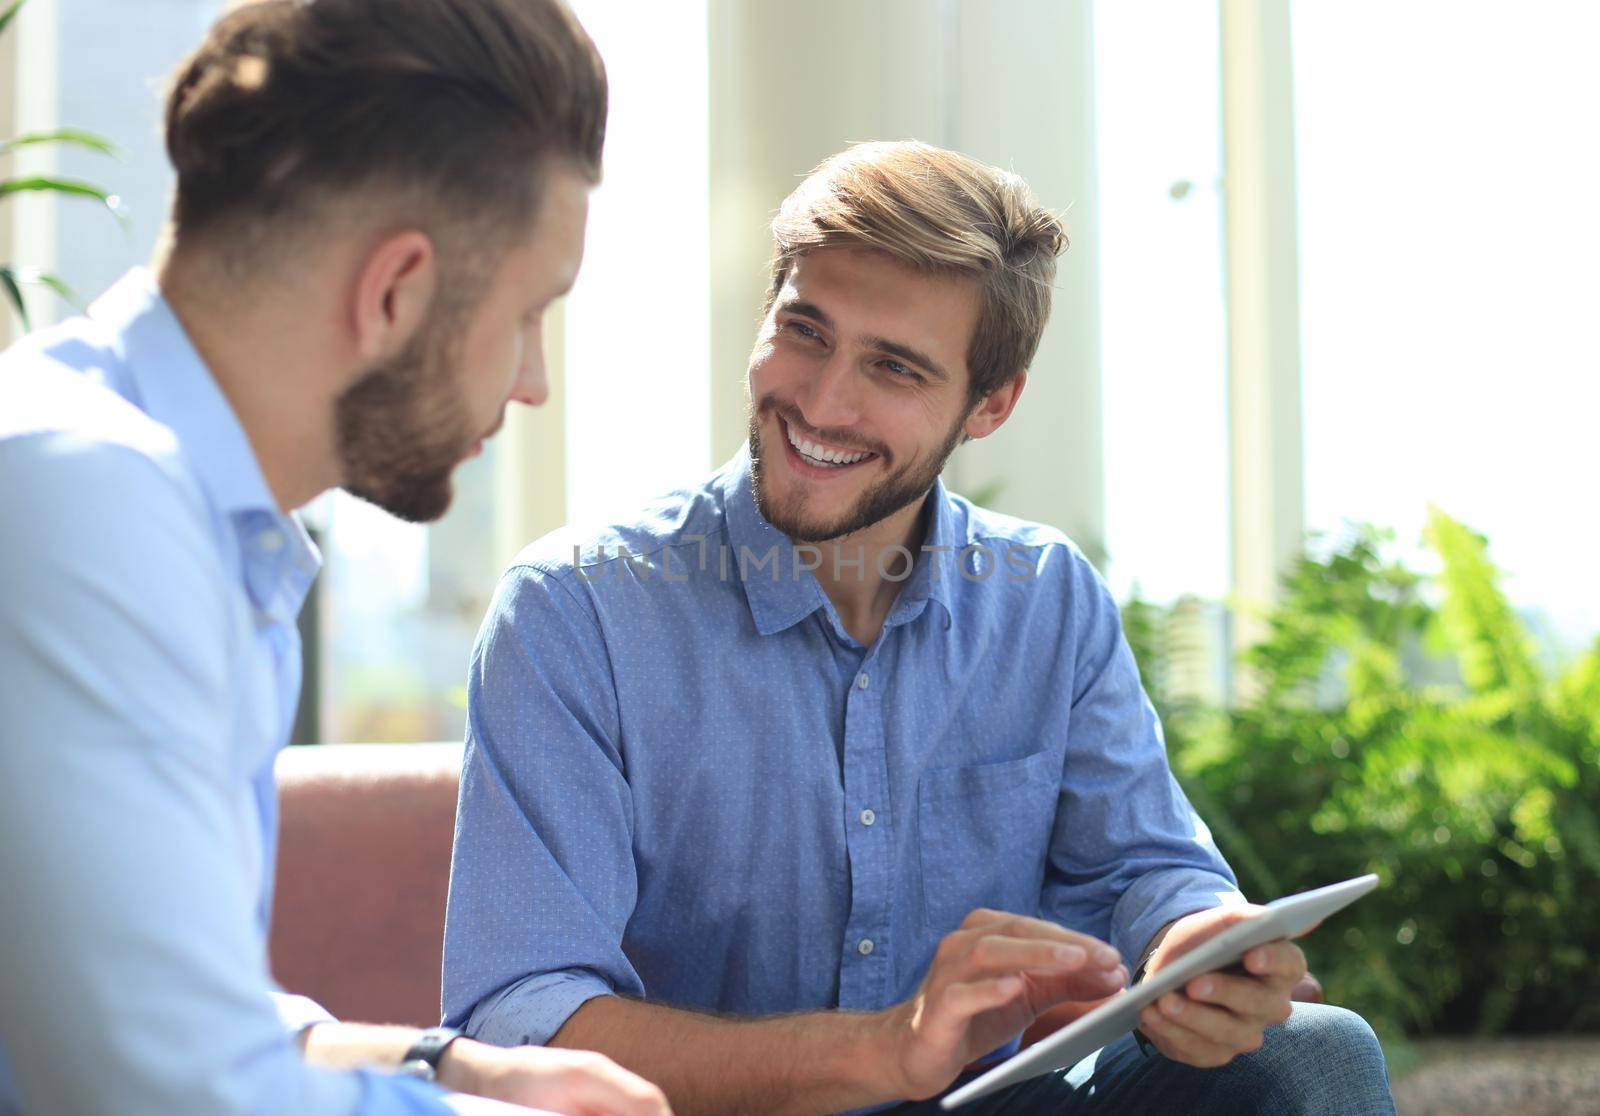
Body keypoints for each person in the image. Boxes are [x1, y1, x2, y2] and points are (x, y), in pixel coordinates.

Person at [441, 141, 1397, 1114]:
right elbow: (523, 1014)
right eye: (804, 331)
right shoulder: (577, 611)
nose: (821, 400)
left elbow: (1148, 869)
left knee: (1313, 1054)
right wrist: (879, 1052)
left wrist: (1195, 942)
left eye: (893, 368)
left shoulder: (1044, 598)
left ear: (989, 404)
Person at [0, 2, 670, 1114]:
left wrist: (447, 1064)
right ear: (396, 292)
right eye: (528, 314)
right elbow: (167, 1090)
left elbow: (117, 990)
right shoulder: (84, 498)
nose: (530, 382)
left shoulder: (171, 511)